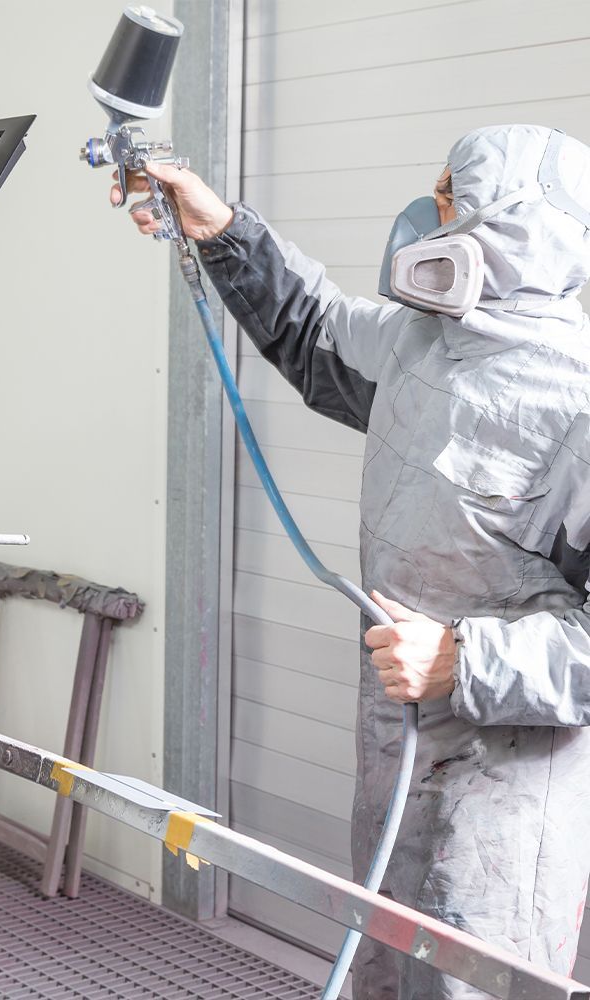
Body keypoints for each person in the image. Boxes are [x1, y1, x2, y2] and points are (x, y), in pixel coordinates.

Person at [115, 124, 590, 999]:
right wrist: (219, 228)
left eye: (449, 194)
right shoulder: (424, 345)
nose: (427, 209)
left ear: (510, 223)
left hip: (505, 782)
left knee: (469, 980)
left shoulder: (576, 403)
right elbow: (311, 327)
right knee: (381, 963)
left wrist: (464, 659)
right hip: (397, 745)